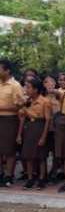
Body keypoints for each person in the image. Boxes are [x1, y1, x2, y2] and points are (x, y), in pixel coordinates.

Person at [17, 78, 51, 190]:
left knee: (40, 156)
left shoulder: (45, 101)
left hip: (39, 127)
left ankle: (42, 179)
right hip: (29, 128)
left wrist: (44, 136)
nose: (26, 89)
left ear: (36, 89)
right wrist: (19, 134)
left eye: (28, 87)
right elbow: (22, 116)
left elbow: (46, 120)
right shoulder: (27, 101)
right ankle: (30, 178)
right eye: (26, 87)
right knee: (28, 156)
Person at [0, 59, 24, 187]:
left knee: (9, 149)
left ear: (7, 70)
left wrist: (2, 108)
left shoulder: (15, 85)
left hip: (9, 120)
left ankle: (9, 176)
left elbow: (20, 106)